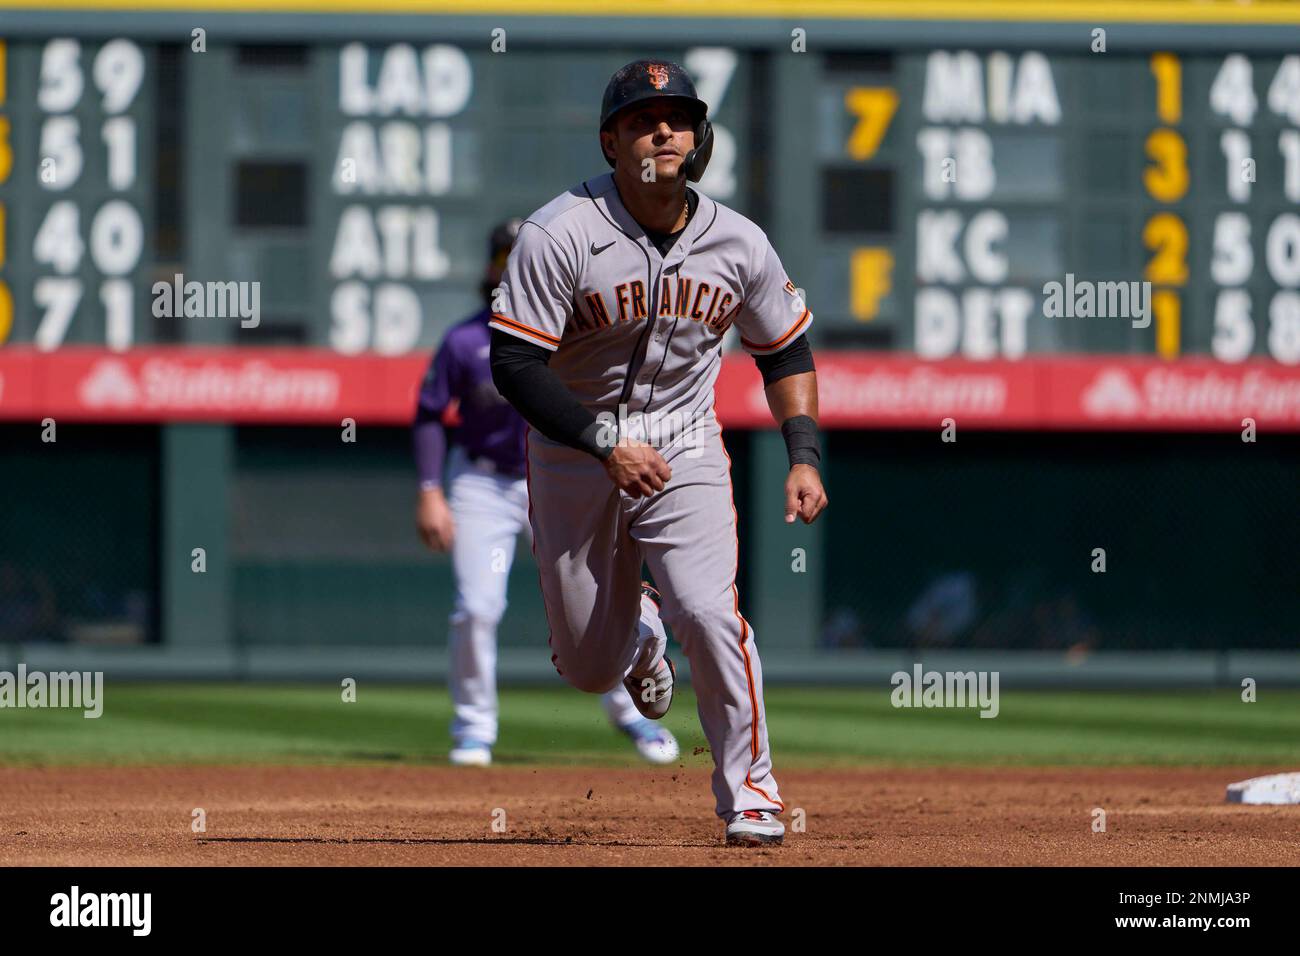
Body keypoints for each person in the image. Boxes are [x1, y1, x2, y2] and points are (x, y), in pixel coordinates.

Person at [488, 61, 828, 845]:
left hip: (683, 440)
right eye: (644, 120)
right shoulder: (559, 233)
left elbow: (784, 349)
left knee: (710, 611)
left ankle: (751, 792)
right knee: (588, 667)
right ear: (611, 142)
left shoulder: (739, 241)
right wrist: (603, 441)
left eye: (678, 117)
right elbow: (513, 364)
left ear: (699, 136)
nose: (664, 130)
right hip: (574, 446)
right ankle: (639, 634)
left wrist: (803, 453)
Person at [413, 219, 680, 768]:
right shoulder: (466, 340)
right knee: (477, 608)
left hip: (557, 477)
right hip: (484, 481)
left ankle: (630, 714)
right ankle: (473, 730)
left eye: (520, 255)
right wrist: (430, 489)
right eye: (504, 256)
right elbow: (429, 415)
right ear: (490, 268)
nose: (512, 266)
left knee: (597, 602)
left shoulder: (570, 337)